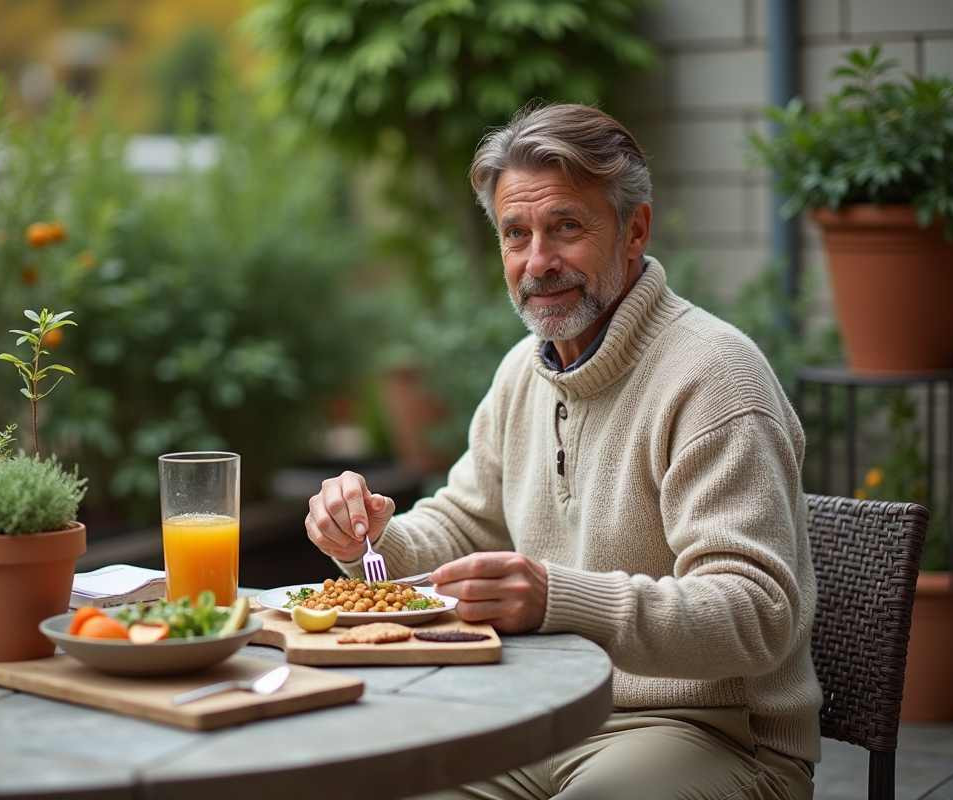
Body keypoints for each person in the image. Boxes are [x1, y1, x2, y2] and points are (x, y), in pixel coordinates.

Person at [305, 103, 821, 800]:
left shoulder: (715, 377)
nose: (538, 262)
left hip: (709, 732)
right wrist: (368, 531)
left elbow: (755, 613)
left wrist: (558, 599)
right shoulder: (524, 371)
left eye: (566, 228)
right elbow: (461, 527)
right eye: (516, 234)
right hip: (538, 717)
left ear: (633, 231)